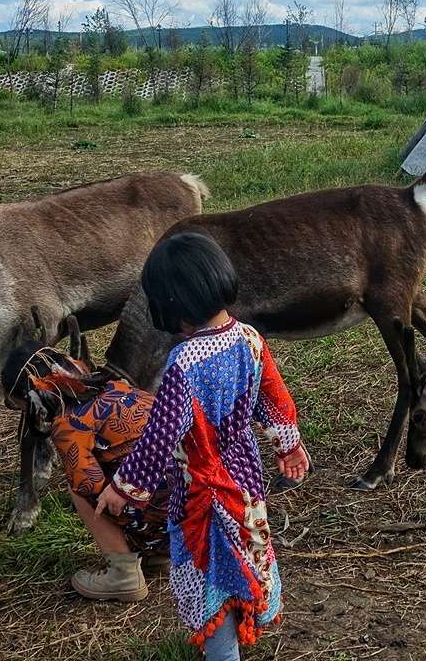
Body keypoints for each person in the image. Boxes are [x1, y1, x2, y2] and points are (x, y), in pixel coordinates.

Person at [96, 232, 310, 661]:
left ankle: (223, 652)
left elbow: (160, 436)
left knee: (206, 570)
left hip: (201, 489)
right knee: (241, 554)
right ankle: (236, 630)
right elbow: (274, 398)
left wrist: (122, 488)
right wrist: (289, 444)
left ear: (171, 305)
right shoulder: (249, 337)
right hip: (245, 473)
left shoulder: (184, 362)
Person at [0, 341, 171, 594]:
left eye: (20, 406)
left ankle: (122, 574)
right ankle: (158, 554)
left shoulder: (68, 425)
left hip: (163, 509)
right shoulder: (116, 387)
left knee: (78, 487)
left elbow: (89, 486)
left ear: (33, 398)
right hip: (192, 507)